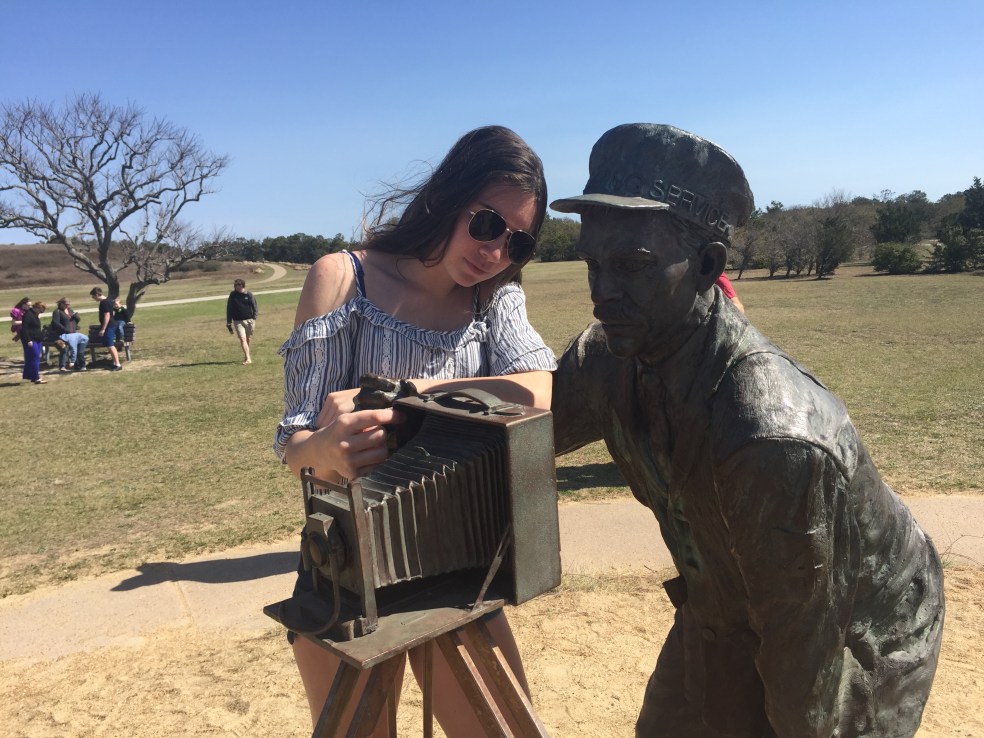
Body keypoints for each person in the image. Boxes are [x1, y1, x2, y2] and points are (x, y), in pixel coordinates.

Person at [549, 123, 943, 737]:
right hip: (723, 598)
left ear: (708, 266)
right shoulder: (607, 357)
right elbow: (528, 433)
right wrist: (409, 418)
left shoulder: (772, 436)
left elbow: (804, 656)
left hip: (855, 627)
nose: (602, 293)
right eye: (593, 265)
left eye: (632, 266)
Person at [274, 125, 555, 736]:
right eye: (486, 224)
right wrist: (325, 447)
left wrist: (406, 396)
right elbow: (293, 443)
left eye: (517, 241)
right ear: (446, 198)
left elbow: (542, 389)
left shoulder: (494, 297)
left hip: (459, 567)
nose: (495, 252)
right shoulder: (341, 279)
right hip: (347, 573)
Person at [50, 297, 89, 372]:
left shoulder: (70, 310)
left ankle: (77, 365)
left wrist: (77, 317)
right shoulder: (57, 312)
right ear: (61, 304)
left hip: (73, 333)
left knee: (76, 349)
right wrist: (64, 328)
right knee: (64, 349)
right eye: (66, 304)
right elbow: (55, 323)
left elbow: (76, 320)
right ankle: (62, 366)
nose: (67, 306)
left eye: (68, 304)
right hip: (63, 334)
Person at [90, 287, 122, 371]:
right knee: (109, 344)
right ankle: (114, 363)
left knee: (110, 345)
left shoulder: (104, 302)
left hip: (109, 326)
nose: (93, 298)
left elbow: (107, 315)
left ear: (97, 295)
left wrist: (103, 329)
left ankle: (117, 364)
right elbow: (113, 312)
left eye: (93, 296)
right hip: (111, 324)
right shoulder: (109, 301)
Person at [226, 279, 257, 364]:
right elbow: (229, 308)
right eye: (235, 286)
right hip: (238, 321)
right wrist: (229, 321)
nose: (237, 287)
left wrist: (254, 317)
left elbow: (254, 306)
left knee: (247, 338)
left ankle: (246, 355)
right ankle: (248, 358)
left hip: (249, 320)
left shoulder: (249, 294)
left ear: (242, 286)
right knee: (243, 339)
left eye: (238, 286)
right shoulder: (233, 295)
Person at [20, 300, 47, 384]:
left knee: (33, 358)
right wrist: (28, 340)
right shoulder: (27, 315)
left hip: (37, 339)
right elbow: (24, 329)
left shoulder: (35, 315)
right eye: (41, 310)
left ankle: (30, 376)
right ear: (37, 308)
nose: (41, 312)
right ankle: (36, 378)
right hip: (30, 340)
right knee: (34, 358)